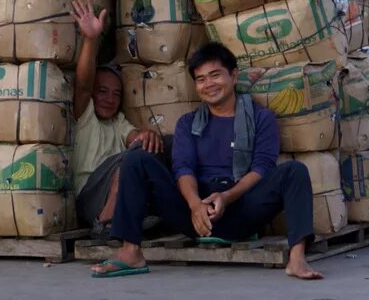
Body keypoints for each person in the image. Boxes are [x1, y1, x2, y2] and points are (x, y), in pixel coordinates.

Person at [90, 41, 323, 281]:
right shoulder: (187, 123)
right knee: (136, 160)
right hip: (193, 212)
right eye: (201, 79)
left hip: (241, 208)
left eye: (215, 75)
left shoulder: (261, 118)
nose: (208, 84)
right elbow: (183, 167)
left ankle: (296, 258)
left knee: (295, 171)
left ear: (233, 76)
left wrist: (226, 196)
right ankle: (131, 252)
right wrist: (194, 205)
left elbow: (261, 167)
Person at [71, 0, 164, 233]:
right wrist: (90, 39)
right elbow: (83, 84)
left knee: (162, 147)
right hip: (88, 198)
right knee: (130, 161)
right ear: (92, 94)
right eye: (102, 91)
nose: (109, 99)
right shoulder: (85, 115)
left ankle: (128, 216)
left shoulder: (117, 121)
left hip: (115, 190)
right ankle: (105, 223)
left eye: (116, 94)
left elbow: (134, 137)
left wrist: (147, 135)